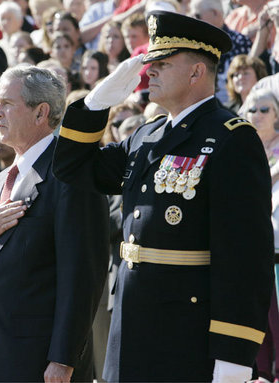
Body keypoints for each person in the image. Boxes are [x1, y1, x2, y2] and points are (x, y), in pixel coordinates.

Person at [53, 10, 274, 382]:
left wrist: (233, 356)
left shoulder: (231, 138)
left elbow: (245, 258)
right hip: (130, 327)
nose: (149, 71)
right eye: (150, 63)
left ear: (196, 72)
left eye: (163, 63)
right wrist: (94, 104)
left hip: (185, 336)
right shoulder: (147, 135)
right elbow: (74, 168)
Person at [0, 65, 109, 382]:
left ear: (41, 113)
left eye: (7, 104)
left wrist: (63, 359)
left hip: (40, 363)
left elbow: (84, 276)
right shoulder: (2, 179)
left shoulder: (70, 174)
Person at [241, 89, 279, 383]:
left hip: (277, 246)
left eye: (264, 109)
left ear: (277, 115)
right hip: (253, 247)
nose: (257, 114)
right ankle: (263, 372)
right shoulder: (242, 147)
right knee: (259, 315)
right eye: (252, 109)